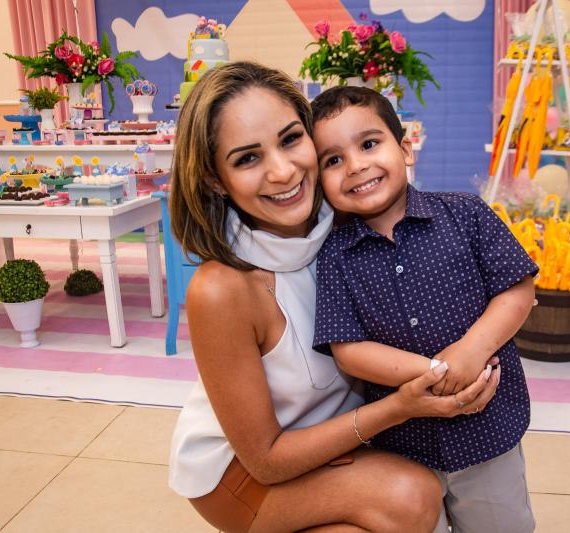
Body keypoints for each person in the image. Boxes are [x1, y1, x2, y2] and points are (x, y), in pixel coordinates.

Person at [166, 61, 501, 533]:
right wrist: (399, 407)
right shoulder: (222, 288)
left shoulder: (348, 223)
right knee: (411, 496)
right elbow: (265, 460)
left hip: (336, 439)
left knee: (436, 500)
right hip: (245, 475)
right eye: (247, 159)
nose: (283, 171)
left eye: (290, 140)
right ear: (214, 179)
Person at [310, 86, 539, 533]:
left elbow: (517, 288)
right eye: (333, 160)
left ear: (405, 149)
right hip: (402, 445)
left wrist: (472, 350)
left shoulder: (465, 214)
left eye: (369, 144)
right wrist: (437, 372)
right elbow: (348, 350)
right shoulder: (334, 255)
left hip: (487, 429)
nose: (355, 165)